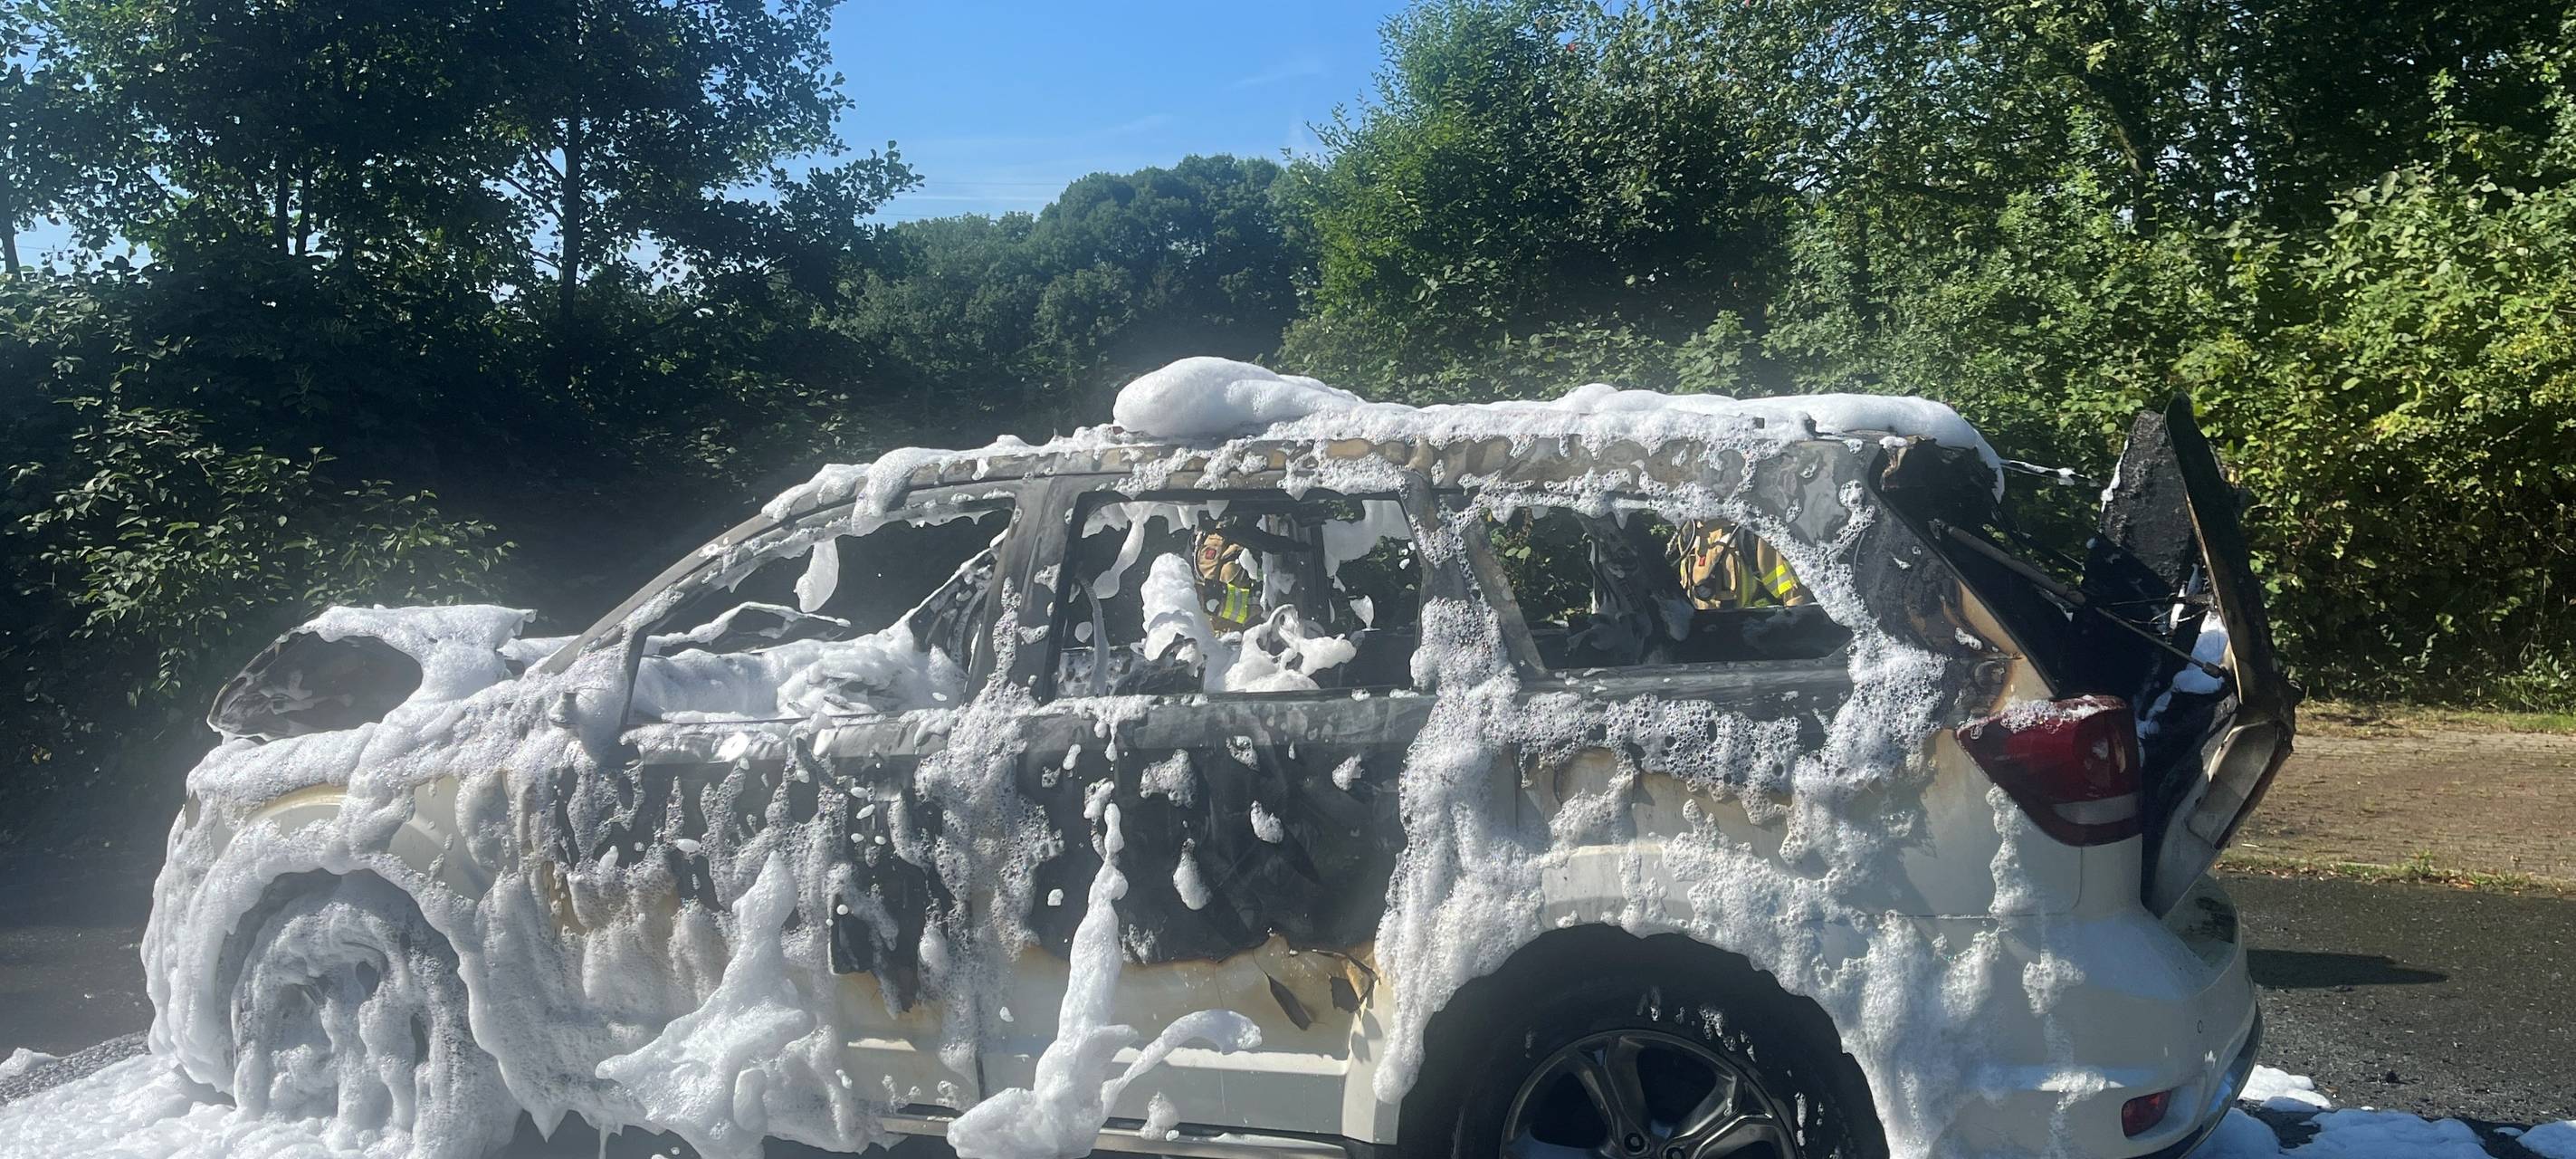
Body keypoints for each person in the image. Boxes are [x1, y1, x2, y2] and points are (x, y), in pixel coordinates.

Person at [1677, 521, 1806, 608]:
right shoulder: (1689, 534)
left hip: (1753, 640)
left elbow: (1796, 601)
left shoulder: (1753, 532)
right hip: (1703, 642)